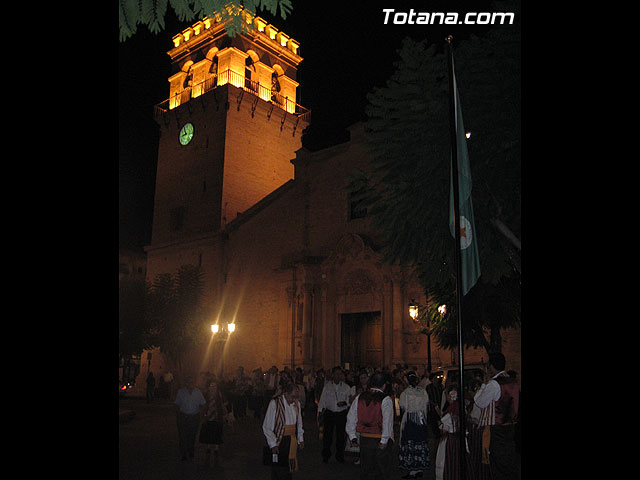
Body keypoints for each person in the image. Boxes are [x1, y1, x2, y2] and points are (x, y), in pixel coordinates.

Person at [473, 352, 520, 480]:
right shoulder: (513, 382)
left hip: (497, 429)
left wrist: (483, 384)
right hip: (511, 427)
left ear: (492, 367)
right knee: (508, 461)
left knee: (497, 463)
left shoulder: (494, 384)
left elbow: (479, 402)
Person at [345, 372, 394, 480]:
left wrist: (352, 436)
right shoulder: (385, 399)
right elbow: (387, 422)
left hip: (365, 439)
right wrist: (384, 440)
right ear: (384, 385)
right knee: (381, 470)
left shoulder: (360, 397)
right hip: (379, 438)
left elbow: (351, 418)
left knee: (366, 470)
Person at [262, 383, 304, 480]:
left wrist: (300, 439)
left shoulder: (296, 404)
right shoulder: (275, 403)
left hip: (291, 441)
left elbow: (299, 422)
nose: (294, 400)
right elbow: (267, 426)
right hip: (279, 440)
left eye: (296, 397)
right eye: (292, 397)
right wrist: (273, 444)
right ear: (286, 393)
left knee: (287, 469)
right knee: (278, 469)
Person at [398, 371, 430, 479]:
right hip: (420, 420)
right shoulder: (423, 391)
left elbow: (403, 407)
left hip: (410, 420)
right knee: (419, 441)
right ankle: (419, 469)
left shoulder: (405, 393)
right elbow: (425, 406)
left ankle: (412, 470)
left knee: (410, 442)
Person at [317, 366, 352, 463]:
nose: (338, 376)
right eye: (336, 374)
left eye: (340, 374)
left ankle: (339, 455)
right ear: (332, 375)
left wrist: (344, 403)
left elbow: (350, 401)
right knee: (327, 435)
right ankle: (326, 455)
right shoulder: (327, 386)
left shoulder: (346, 387)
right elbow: (322, 400)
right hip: (330, 413)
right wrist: (320, 412)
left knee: (341, 436)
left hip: (341, 413)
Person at [175, 375, 206, 461]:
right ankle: (183, 453)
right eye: (189, 382)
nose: (190, 384)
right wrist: (178, 417)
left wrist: (202, 415)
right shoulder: (181, 392)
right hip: (183, 417)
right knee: (183, 436)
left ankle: (191, 450)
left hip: (194, 417)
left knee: (192, 435)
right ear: (186, 383)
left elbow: (203, 404)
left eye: (192, 382)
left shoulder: (198, 392)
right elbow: (177, 405)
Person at [199, 380, 226, 466]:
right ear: (209, 387)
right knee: (208, 435)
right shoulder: (206, 395)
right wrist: (203, 415)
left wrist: (223, 410)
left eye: (215, 386)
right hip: (208, 418)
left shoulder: (220, 395)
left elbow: (225, 403)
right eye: (211, 386)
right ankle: (208, 450)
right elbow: (202, 405)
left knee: (216, 435)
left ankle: (216, 451)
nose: (213, 388)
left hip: (217, 418)